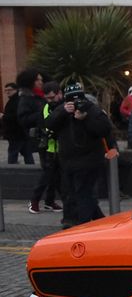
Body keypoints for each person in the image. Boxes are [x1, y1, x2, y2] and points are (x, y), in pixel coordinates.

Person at [45, 83, 113, 228]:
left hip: (89, 161)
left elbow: (104, 129)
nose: (75, 103)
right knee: (72, 193)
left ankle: (80, 224)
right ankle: (99, 221)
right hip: (68, 162)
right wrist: (63, 111)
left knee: (83, 193)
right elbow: (49, 124)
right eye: (70, 100)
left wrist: (85, 118)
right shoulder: (61, 110)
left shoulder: (92, 109)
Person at [28, 81, 64, 215]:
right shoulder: (45, 108)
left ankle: (49, 201)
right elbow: (44, 126)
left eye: (52, 97)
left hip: (59, 147)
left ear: (59, 93)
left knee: (55, 176)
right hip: (48, 148)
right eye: (47, 98)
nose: (50, 100)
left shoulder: (63, 105)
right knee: (47, 175)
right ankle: (34, 200)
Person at [16, 69, 47, 164]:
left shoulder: (42, 96)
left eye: (41, 80)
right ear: (29, 81)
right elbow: (24, 120)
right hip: (38, 138)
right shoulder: (26, 99)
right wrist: (43, 114)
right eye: (37, 80)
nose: (40, 82)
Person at [2, 82, 34, 164]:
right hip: (21, 133)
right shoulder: (14, 100)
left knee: (13, 153)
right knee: (27, 153)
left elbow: (16, 116)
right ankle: (31, 169)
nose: (7, 92)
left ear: (16, 90)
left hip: (16, 133)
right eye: (6, 90)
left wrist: (3, 116)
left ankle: (12, 171)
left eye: (10, 90)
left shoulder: (16, 101)